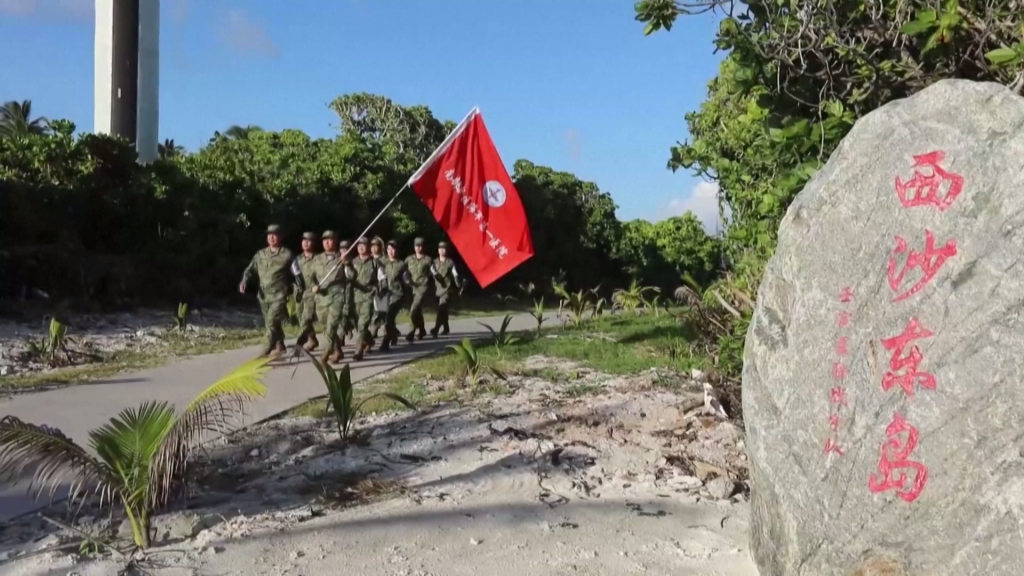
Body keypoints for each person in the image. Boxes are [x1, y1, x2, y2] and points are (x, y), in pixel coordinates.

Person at [239, 224, 301, 357]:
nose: (272, 237)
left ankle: (265, 348)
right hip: (263, 296)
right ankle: (280, 344)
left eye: (275, 235)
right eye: (269, 235)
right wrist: (244, 281)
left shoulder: (287, 255)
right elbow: (250, 270)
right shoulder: (260, 254)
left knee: (272, 321)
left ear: (281, 237)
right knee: (269, 322)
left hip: (280, 295)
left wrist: (299, 290)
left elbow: (297, 274)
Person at [308, 230, 347, 363]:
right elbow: (311, 277)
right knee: (326, 327)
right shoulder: (317, 259)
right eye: (325, 240)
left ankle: (326, 352)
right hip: (321, 298)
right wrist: (313, 286)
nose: (327, 242)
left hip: (337, 296)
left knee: (331, 326)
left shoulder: (342, 258)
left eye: (330, 239)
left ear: (335, 241)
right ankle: (338, 351)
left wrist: (346, 262)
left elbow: (352, 276)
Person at [348, 237, 379, 360]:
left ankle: (358, 350)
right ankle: (369, 340)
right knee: (357, 324)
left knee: (362, 323)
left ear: (368, 246)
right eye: (359, 245)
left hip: (368, 296)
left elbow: (382, 279)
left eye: (364, 245)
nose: (361, 247)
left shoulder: (375, 263)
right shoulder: (352, 262)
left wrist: (378, 290)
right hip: (355, 296)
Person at [378, 239, 409, 352]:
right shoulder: (382, 262)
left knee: (389, 317)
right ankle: (394, 332)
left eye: (393, 249)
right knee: (382, 317)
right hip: (384, 294)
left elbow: (406, 279)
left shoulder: (401, 264)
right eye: (389, 249)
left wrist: (408, 282)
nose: (391, 251)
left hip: (397, 294)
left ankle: (385, 343)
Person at [292, 231, 320, 351]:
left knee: (306, 319)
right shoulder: (297, 259)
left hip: (312, 292)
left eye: (308, 241)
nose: (305, 243)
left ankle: (304, 341)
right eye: (304, 241)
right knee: (300, 317)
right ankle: (312, 339)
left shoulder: (319, 259)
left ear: (313, 243)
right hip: (299, 292)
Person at [430, 240, 462, 338]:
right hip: (438, 289)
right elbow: (432, 272)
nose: (442, 250)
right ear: (438, 250)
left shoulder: (450, 262)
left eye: (444, 248)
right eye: (440, 249)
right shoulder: (434, 262)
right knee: (442, 310)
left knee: (441, 308)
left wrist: (458, 285)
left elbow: (455, 274)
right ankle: (446, 327)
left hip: (448, 289)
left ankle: (435, 329)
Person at [404, 237, 433, 342]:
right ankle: (421, 329)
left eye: (420, 246)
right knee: (417, 311)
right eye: (416, 245)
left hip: (422, 288)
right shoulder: (409, 259)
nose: (418, 248)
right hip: (410, 288)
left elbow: (433, 273)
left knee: (413, 310)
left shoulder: (428, 260)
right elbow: (404, 271)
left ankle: (411, 333)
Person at [337, 239, 356, 346]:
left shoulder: (353, 263)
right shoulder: (335, 262)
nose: (344, 252)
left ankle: (341, 336)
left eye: (346, 249)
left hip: (349, 292)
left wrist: (347, 264)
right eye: (342, 249)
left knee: (345, 314)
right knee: (339, 315)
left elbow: (352, 276)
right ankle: (346, 329)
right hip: (337, 292)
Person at [369, 237, 387, 343]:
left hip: (383, 288)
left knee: (382, 310)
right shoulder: (368, 260)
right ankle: (374, 328)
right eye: (372, 246)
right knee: (373, 311)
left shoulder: (385, 260)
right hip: (371, 289)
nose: (374, 248)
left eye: (376, 246)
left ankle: (385, 329)